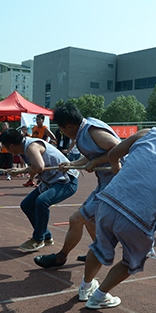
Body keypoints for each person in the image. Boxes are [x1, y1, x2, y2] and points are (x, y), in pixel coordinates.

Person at [78, 116, 156, 309]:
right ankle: (99, 296)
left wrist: (117, 167)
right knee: (131, 260)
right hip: (137, 217)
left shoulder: (148, 132)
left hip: (108, 201)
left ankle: (85, 287)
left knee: (99, 247)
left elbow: (114, 153)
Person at [33, 104, 121, 269]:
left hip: (118, 184)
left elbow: (117, 147)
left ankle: (61, 257)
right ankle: (100, 251)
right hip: (106, 184)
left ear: (69, 126)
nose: (62, 133)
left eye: (61, 129)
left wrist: (96, 161)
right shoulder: (82, 132)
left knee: (77, 218)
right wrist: (71, 164)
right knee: (88, 220)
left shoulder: (91, 130)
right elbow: (91, 157)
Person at [0, 128, 79, 253]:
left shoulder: (31, 146)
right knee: (27, 205)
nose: (6, 151)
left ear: (11, 145)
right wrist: (27, 176)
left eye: (6, 148)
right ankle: (46, 236)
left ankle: (38, 239)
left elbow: (39, 167)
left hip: (67, 181)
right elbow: (34, 168)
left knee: (42, 202)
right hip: (51, 182)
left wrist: (20, 171)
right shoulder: (23, 149)